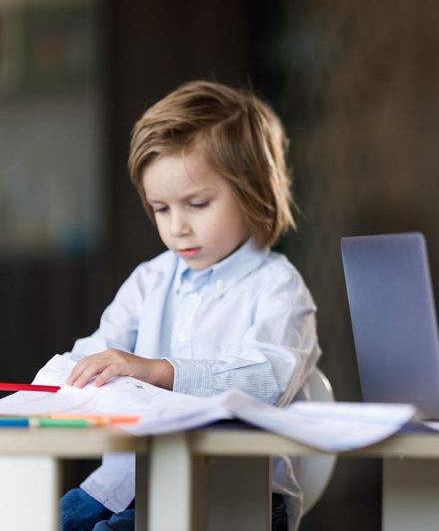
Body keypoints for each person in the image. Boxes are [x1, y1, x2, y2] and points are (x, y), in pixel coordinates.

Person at [59, 81, 321, 531]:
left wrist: (159, 371)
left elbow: (267, 381)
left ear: (253, 191)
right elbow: (95, 354)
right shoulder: (150, 280)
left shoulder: (278, 287)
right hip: (124, 484)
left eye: (197, 204)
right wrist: (59, 381)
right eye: (161, 209)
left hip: (237, 497)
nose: (177, 227)